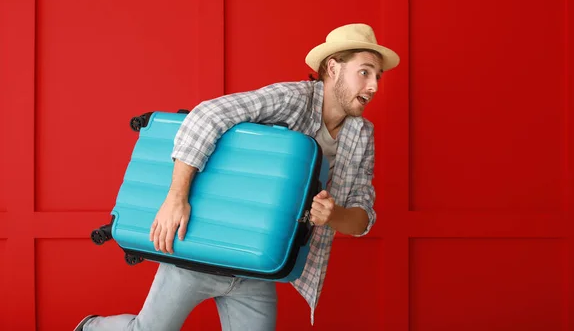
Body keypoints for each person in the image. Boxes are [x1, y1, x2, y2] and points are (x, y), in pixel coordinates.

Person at [75, 23, 400, 331]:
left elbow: (361, 218)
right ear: (333, 68)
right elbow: (208, 114)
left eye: (377, 77)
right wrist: (176, 199)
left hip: (256, 267)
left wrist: (333, 215)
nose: (373, 86)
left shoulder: (361, 134)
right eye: (364, 72)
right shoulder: (292, 99)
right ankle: (91, 327)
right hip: (198, 251)